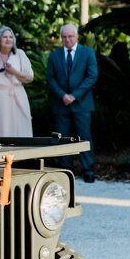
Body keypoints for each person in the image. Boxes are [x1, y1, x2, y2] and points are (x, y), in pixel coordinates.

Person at [46, 24, 98, 182]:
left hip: (82, 103)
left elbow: (92, 76)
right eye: (64, 37)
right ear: (61, 38)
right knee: (63, 138)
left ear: (77, 36)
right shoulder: (54, 55)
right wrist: (63, 95)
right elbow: (50, 78)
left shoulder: (87, 53)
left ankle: (88, 169)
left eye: (71, 36)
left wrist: (74, 95)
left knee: (84, 136)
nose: (68, 40)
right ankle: (66, 170)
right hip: (61, 103)